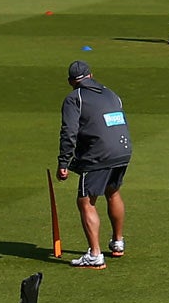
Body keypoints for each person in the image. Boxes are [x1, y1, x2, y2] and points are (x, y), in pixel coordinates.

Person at [56, 59, 131, 268]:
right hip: (123, 149)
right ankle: (118, 242)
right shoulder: (110, 93)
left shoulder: (74, 98)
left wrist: (64, 162)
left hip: (98, 153)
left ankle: (95, 255)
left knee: (85, 201)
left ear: (71, 81)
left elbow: (69, 132)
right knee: (113, 191)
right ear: (91, 75)